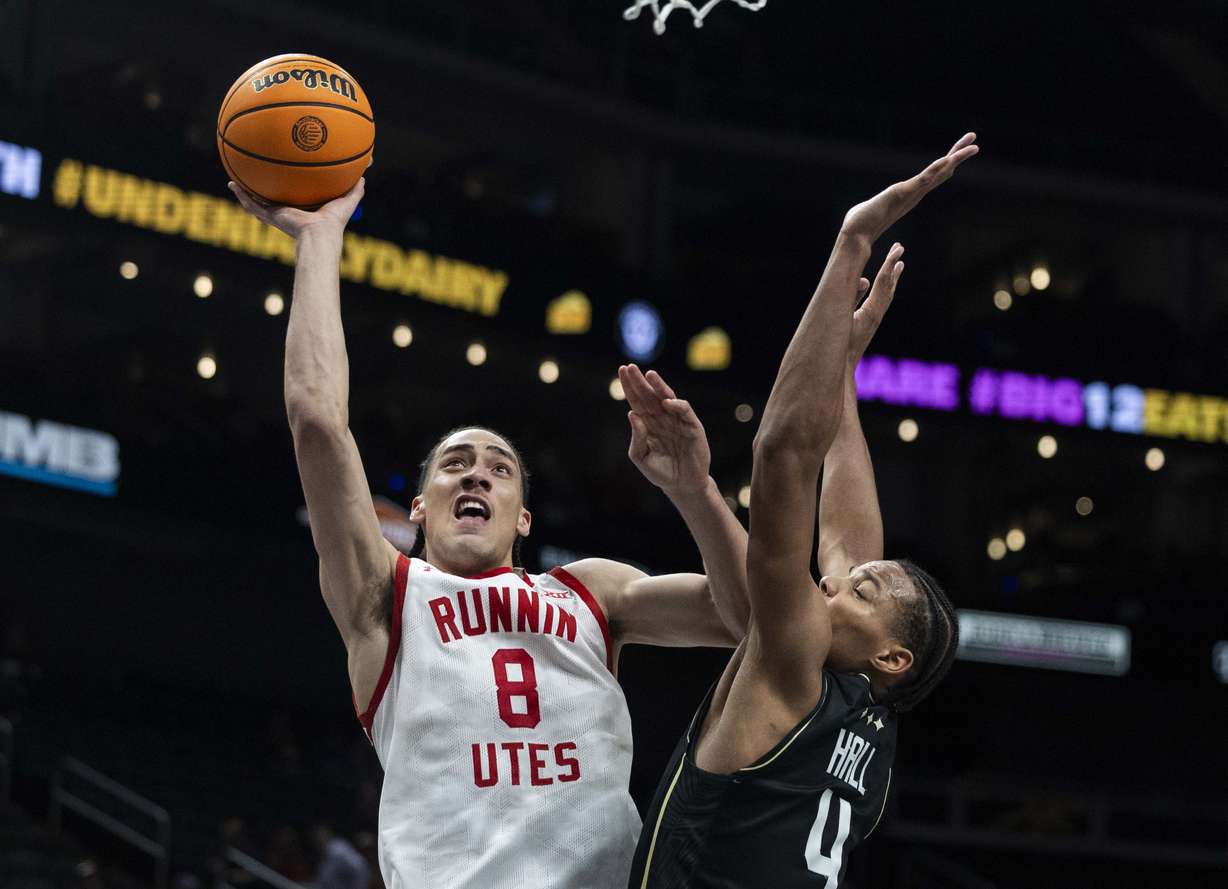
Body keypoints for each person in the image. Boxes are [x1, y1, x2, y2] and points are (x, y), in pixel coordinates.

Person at [227, 180, 748, 889]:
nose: (476, 474)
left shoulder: (590, 592)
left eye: (499, 469)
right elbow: (318, 420)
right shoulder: (386, 593)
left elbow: (753, 617)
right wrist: (319, 240)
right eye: (455, 464)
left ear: (523, 516)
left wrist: (695, 491)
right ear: (417, 508)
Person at [627, 134, 977, 889]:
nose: (834, 579)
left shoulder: (794, 667)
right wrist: (843, 369)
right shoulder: (870, 726)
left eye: (861, 591)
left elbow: (784, 453)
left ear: (891, 657)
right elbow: (849, 545)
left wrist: (852, 241)